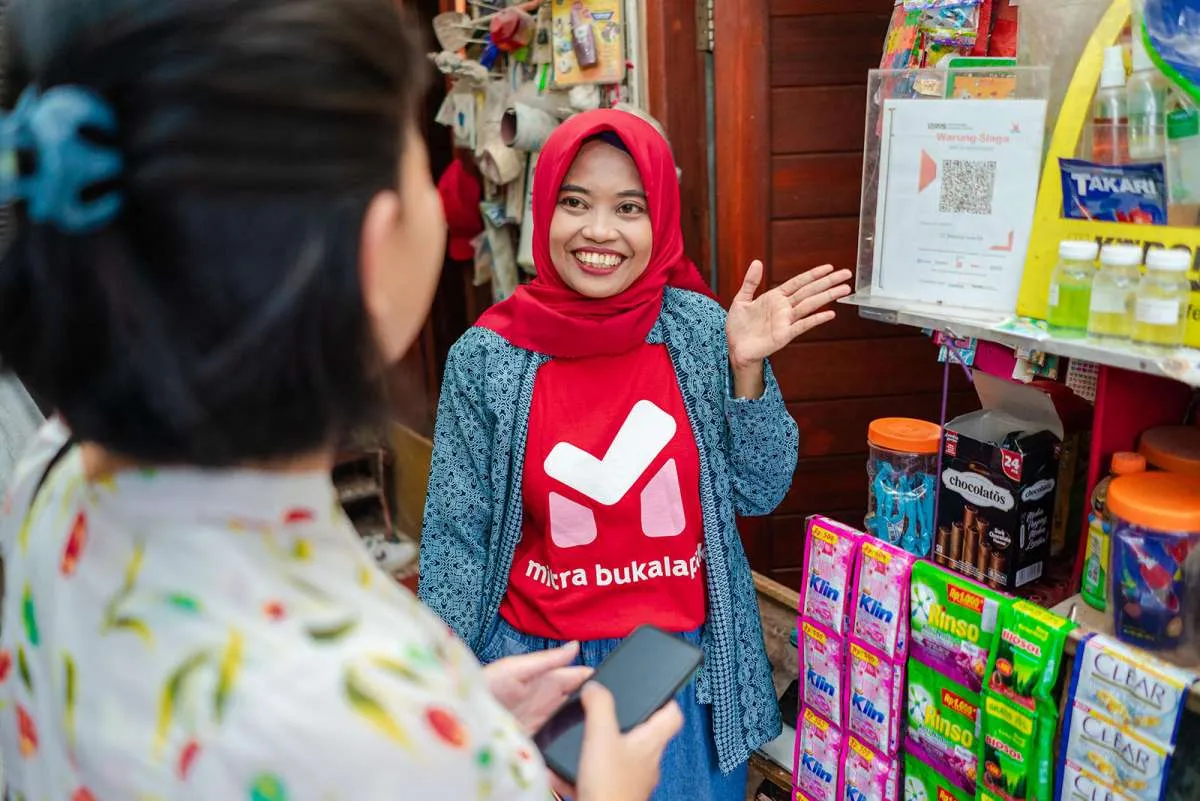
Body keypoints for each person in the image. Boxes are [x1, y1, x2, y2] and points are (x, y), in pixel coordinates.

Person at [0, 1, 682, 799]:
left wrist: (459, 722)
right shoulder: (367, 709)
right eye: (417, 167)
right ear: (374, 241)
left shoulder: (57, 467)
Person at [419, 108, 853, 799]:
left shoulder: (703, 330)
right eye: (574, 202)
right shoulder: (488, 356)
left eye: (629, 207)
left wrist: (746, 369)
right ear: (543, 210)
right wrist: (454, 701)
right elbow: (455, 539)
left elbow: (762, 488)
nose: (598, 231)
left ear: (661, 222)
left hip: (687, 680)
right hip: (543, 673)